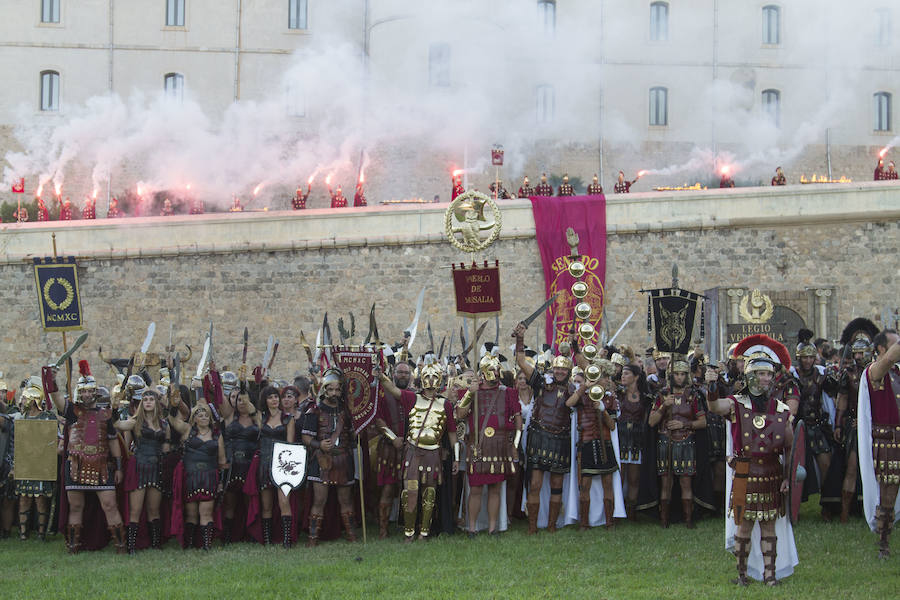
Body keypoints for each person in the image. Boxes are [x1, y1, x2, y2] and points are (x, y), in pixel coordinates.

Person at [715, 335, 797, 586]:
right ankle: (741, 576)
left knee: (769, 527)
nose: (766, 379)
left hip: (771, 472)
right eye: (761, 374)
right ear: (750, 377)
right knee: (744, 527)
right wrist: (710, 387)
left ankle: (770, 576)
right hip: (743, 473)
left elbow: (790, 448)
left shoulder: (781, 409)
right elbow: (715, 407)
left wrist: (786, 478)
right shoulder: (735, 405)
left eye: (769, 375)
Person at [47, 361, 126, 554]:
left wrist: (118, 467)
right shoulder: (71, 411)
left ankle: (121, 546)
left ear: (95, 392)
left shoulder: (106, 414)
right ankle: (73, 546)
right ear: (79, 393)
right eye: (83, 391)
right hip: (76, 464)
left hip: (101, 464)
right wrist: (51, 378)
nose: (87, 395)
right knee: (76, 507)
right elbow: (56, 397)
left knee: (110, 505)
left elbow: (114, 441)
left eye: (90, 391)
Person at [512, 322, 583, 534]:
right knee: (534, 484)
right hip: (539, 436)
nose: (560, 371)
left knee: (556, 486)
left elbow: (590, 372)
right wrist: (520, 339)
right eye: (558, 368)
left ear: (569, 370)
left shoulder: (574, 390)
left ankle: (551, 525)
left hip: (560, 438)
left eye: (564, 368)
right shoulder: (541, 382)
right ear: (553, 369)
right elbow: (521, 362)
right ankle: (533, 526)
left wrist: (575, 345)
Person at [379, 357, 459, 542]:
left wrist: (456, 458)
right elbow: (392, 389)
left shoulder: (445, 404)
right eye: (427, 376)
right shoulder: (411, 398)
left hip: (433, 452)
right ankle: (409, 533)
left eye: (434, 376)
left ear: (439, 379)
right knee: (410, 491)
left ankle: (424, 533)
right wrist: (381, 374)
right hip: (413, 451)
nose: (430, 380)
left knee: (429, 493)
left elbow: (452, 434)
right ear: (421, 378)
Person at [456, 351, 522, 536]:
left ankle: (493, 529)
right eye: (491, 369)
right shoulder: (471, 391)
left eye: (497, 369)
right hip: (477, 445)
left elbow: (518, 420)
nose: (495, 372)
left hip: (500, 445)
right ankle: (472, 528)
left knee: (495, 488)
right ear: (483, 372)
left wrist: (515, 445)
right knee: (475, 489)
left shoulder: (508, 392)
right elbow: (460, 415)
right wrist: (470, 393)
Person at [831, 318, 880, 522]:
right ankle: (844, 512)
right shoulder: (848, 374)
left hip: (876, 427)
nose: (858, 356)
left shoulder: (878, 372)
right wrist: (839, 424)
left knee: (879, 469)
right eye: (856, 353)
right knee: (851, 468)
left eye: (862, 353)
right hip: (853, 425)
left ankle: (880, 511)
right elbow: (842, 401)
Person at [648, 358, 707, 528]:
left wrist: (684, 424)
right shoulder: (662, 394)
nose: (679, 378)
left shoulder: (693, 396)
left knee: (685, 482)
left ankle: (688, 520)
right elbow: (651, 422)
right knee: (666, 482)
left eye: (682, 374)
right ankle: (664, 520)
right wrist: (663, 407)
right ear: (670, 375)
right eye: (676, 374)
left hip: (686, 442)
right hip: (665, 441)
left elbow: (702, 422)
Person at [301, 368, 357, 546]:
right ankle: (312, 538)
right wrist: (319, 445)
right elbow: (306, 438)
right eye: (330, 389)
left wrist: (356, 432)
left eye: (337, 389)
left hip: (343, 459)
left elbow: (352, 434)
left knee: (346, 500)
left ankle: (351, 535)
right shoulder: (314, 411)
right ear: (324, 389)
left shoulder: (348, 411)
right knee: (319, 500)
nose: (334, 393)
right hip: (322, 461)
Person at [859, 329, 900, 558]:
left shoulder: (898, 373)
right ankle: (884, 543)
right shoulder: (875, 371)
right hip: (888, 444)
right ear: (882, 349)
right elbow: (891, 358)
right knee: (888, 496)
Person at [115, 384, 170, 554]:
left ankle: (155, 544)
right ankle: (131, 546)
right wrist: (115, 407)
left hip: (156, 467)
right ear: (141, 403)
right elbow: (117, 424)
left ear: (156, 403)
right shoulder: (134, 422)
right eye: (145, 399)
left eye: (151, 399)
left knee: (154, 509)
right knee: (135, 510)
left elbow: (167, 447)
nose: (147, 402)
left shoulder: (164, 424)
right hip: (139, 466)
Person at [168, 394, 226, 551]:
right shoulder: (188, 430)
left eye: (206, 415)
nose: (204, 417)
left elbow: (222, 461)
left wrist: (221, 482)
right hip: (190, 477)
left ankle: (206, 545)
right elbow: (172, 420)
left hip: (209, 476)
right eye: (200, 415)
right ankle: (191, 543)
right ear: (194, 419)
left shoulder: (217, 435)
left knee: (206, 513)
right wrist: (173, 405)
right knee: (191, 514)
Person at [568, 359, 619, 530]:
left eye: (607, 377)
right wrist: (585, 386)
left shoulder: (610, 399)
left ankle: (609, 522)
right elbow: (569, 403)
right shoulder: (583, 395)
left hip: (605, 442)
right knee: (585, 485)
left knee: (607, 484)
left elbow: (611, 426)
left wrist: (602, 409)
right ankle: (584, 523)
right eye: (603, 377)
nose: (606, 380)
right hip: (587, 442)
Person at [790, 331, 834, 518]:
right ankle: (794, 507)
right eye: (804, 357)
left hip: (816, 425)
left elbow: (835, 393)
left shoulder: (821, 375)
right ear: (799, 357)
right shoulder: (791, 376)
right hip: (797, 427)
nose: (808, 360)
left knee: (826, 464)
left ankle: (828, 505)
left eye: (810, 357)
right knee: (794, 469)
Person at [6, 378, 56, 541]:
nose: (23, 401)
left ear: (35, 400)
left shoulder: (47, 418)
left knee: (41, 501)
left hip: (41, 464)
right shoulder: (21, 418)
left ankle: (41, 534)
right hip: (25, 464)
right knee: (24, 500)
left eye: (26, 398)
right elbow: (15, 444)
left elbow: (51, 442)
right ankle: (22, 534)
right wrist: (14, 466)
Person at [219, 372, 259, 545]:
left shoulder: (257, 416)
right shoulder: (229, 416)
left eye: (244, 399)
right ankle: (228, 537)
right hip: (232, 463)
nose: (240, 402)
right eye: (237, 399)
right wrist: (214, 376)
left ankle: (251, 534)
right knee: (230, 502)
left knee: (250, 501)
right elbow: (220, 398)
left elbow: (264, 428)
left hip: (250, 464)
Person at [255, 385, 296, 547]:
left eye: (276, 397)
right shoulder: (260, 417)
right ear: (265, 400)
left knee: (284, 502)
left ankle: (287, 540)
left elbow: (291, 444)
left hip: (282, 465)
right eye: (270, 397)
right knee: (266, 505)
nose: (274, 400)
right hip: (264, 463)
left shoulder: (288, 419)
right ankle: (267, 539)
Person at [373, 361, 411, 538]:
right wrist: (393, 438)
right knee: (388, 489)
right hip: (389, 448)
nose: (403, 375)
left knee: (410, 489)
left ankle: (408, 526)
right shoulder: (382, 395)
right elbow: (378, 420)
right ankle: (383, 529)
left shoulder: (413, 396)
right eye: (400, 372)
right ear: (393, 373)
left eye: (406, 373)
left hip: (410, 449)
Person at [617, 364, 652, 521]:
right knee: (619, 478)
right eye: (622, 373)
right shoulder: (618, 394)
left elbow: (646, 420)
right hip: (621, 438)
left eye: (626, 373)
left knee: (634, 479)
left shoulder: (645, 397)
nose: (623, 376)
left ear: (636, 376)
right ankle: (616, 511)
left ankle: (632, 513)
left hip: (637, 440)